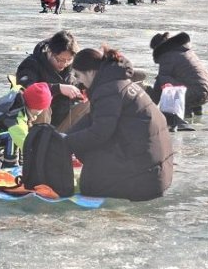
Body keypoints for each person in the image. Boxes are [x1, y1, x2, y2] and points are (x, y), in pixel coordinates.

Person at [63, 47, 174, 201]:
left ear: (90, 72)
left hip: (145, 178)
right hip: (157, 171)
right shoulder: (117, 82)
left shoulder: (108, 90)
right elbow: (94, 118)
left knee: (90, 182)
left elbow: (99, 133)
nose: (78, 81)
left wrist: (66, 143)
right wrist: (66, 136)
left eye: (78, 75)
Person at [16, 30, 85, 131]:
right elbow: (27, 88)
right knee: (42, 101)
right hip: (37, 124)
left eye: (68, 60)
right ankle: (40, 142)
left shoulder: (73, 67)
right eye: (59, 59)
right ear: (49, 52)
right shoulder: (31, 64)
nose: (63, 64)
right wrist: (58, 88)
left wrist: (83, 92)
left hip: (63, 121)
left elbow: (83, 85)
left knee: (92, 103)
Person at [0, 82, 53, 168]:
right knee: (12, 136)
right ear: (35, 108)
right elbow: (25, 143)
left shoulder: (19, 99)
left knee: (17, 133)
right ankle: (10, 166)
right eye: (42, 108)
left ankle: (22, 163)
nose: (42, 111)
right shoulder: (15, 117)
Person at [148, 32, 208, 118]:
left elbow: (160, 83)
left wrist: (149, 105)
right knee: (189, 79)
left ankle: (185, 112)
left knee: (164, 80)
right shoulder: (185, 51)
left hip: (197, 93)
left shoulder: (167, 56)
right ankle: (197, 109)